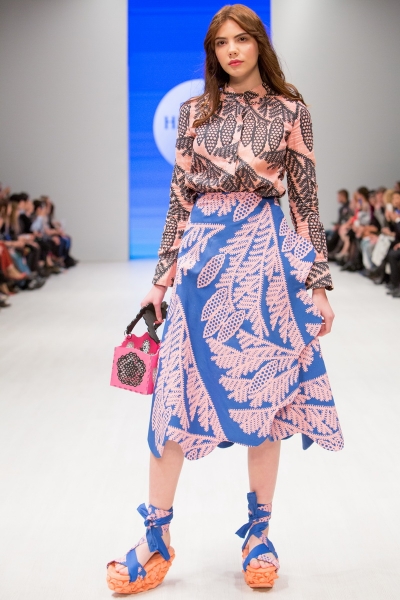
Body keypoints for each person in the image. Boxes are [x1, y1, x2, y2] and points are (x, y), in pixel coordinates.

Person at [107, 4, 343, 594]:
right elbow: (178, 201)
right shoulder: (194, 112)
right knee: (172, 403)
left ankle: (259, 536)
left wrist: (317, 284)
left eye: (242, 39)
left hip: (266, 267)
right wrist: (159, 281)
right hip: (199, 268)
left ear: (260, 43)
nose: (232, 50)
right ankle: (156, 536)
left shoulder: (291, 111)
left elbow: (305, 204)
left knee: (264, 402)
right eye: (220, 43)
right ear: (212, 52)